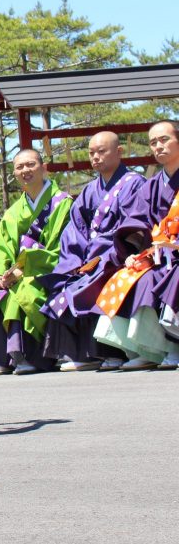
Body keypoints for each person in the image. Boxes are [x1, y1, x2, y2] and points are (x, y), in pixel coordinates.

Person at [0, 150, 73, 375]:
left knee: (23, 290)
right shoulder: (13, 212)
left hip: (46, 271)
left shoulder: (62, 204)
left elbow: (61, 248)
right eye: (19, 167)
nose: (25, 171)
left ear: (44, 167)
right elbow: (0, 249)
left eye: (30, 165)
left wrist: (23, 269)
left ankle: (27, 356)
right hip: (15, 272)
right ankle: (2, 356)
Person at [38, 132, 142, 371]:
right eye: (91, 153)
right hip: (89, 257)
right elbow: (75, 230)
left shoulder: (134, 183)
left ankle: (111, 352)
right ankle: (80, 354)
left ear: (119, 152)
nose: (96, 157)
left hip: (116, 255)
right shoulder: (89, 190)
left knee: (93, 282)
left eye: (102, 151)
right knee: (65, 282)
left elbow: (134, 226)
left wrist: (109, 254)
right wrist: (74, 261)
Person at [94, 121, 179, 369]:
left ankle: (173, 347)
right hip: (158, 254)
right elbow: (135, 223)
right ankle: (147, 349)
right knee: (130, 275)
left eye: (164, 140)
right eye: (153, 143)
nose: (158, 146)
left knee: (164, 278)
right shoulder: (152, 185)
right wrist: (133, 254)